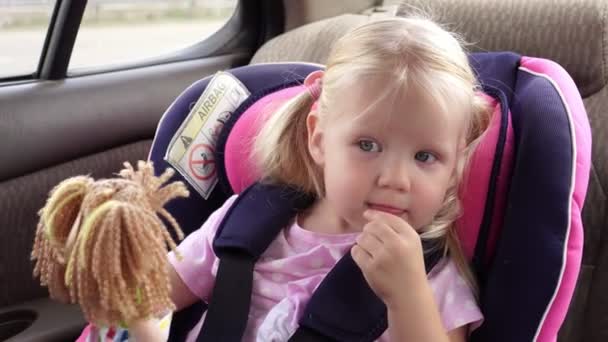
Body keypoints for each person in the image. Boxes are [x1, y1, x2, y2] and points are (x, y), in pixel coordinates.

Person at [132, 14, 490, 342]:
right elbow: (143, 296)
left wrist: (407, 297)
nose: (396, 179)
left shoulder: (431, 278)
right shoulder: (241, 223)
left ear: (454, 167)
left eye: (425, 157)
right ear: (319, 139)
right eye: (367, 145)